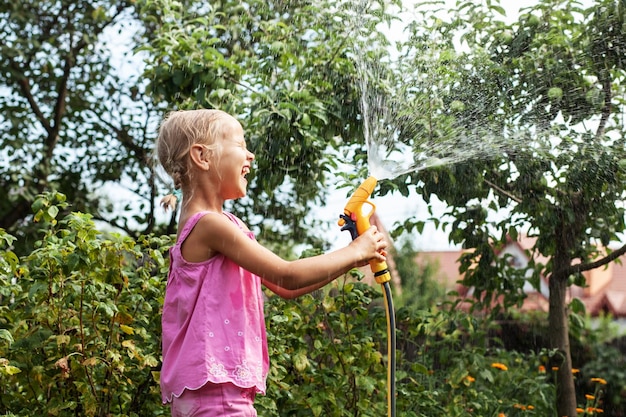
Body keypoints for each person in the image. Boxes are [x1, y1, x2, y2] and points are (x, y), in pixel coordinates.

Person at [156, 109, 388, 417]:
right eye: (240, 144)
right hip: (216, 397)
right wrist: (356, 250)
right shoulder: (209, 226)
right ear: (202, 156)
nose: (250, 155)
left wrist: (351, 259)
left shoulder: (224, 225)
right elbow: (287, 274)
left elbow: (283, 286)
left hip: (218, 394)